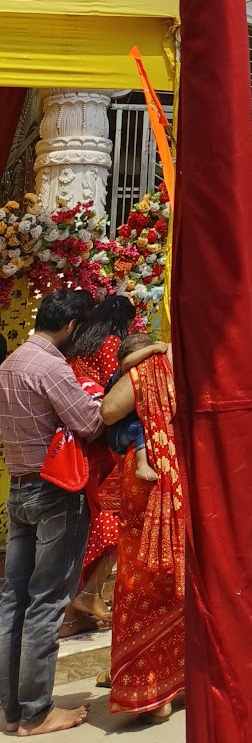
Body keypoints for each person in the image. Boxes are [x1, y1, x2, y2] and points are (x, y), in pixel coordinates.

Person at [0, 288, 106, 736]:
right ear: (71, 328)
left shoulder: (10, 364)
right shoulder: (51, 367)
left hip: (20, 488)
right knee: (47, 602)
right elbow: (90, 422)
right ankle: (37, 712)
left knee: (13, 601)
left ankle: (12, 709)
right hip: (55, 491)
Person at [99, 341, 182, 720]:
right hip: (187, 478)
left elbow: (109, 410)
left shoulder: (150, 367)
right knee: (184, 574)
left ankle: (150, 692)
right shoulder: (205, 367)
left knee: (141, 575)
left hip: (151, 486)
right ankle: (183, 679)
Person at [64, 293, 136, 632]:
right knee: (115, 522)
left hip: (79, 444)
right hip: (107, 447)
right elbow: (116, 396)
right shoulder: (110, 345)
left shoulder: (79, 346)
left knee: (92, 522)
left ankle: (72, 616)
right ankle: (91, 592)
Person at [106, 334, 160, 483]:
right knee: (140, 427)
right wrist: (154, 347)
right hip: (120, 434)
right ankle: (142, 465)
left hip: (127, 434)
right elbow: (128, 362)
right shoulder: (125, 372)